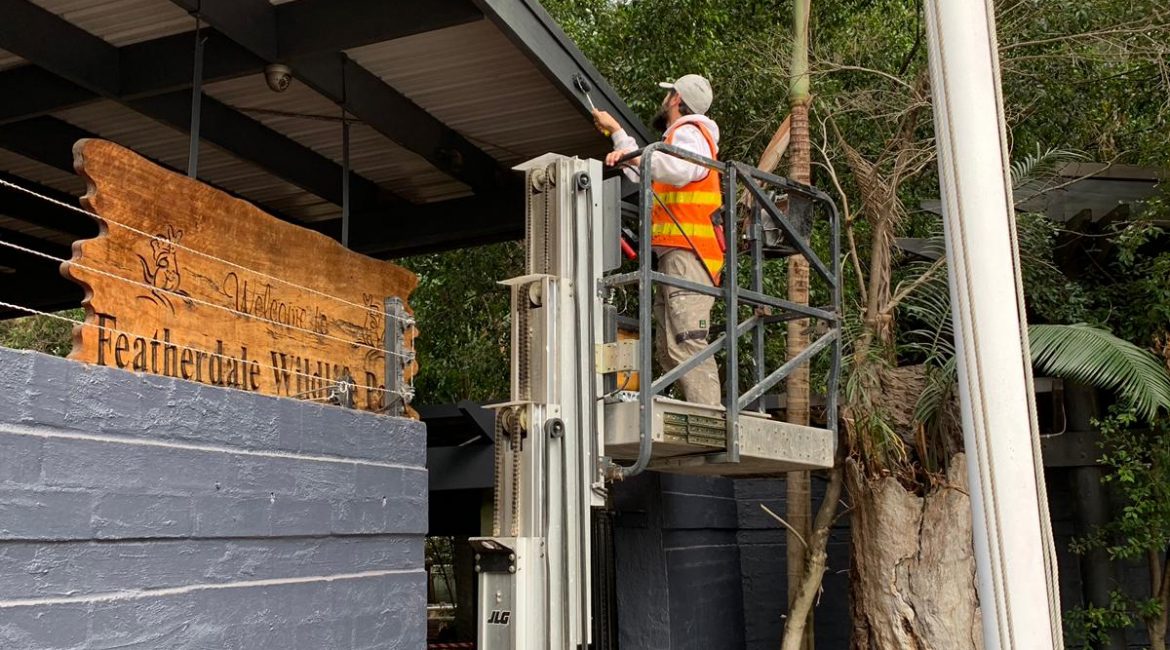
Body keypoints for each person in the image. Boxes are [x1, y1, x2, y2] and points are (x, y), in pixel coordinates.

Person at [592, 74, 723, 406]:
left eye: (669, 95)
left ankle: (709, 418)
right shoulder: (677, 141)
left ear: (676, 98)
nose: (665, 101)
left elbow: (675, 168)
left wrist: (634, 154)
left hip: (690, 254)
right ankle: (699, 413)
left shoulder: (693, 132)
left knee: (687, 339)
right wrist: (617, 134)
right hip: (675, 255)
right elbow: (649, 171)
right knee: (670, 346)